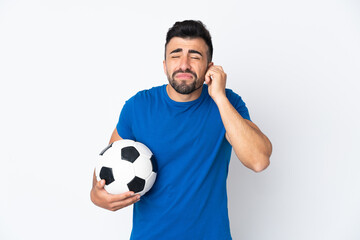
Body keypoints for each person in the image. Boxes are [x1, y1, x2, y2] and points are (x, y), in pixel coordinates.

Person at [91, 20, 272, 240]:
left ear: (209, 66)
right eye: (176, 55)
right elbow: (106, 169)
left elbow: (258, 160)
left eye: (195, 56)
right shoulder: (138, 106)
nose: (184, 64)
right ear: (165, 64)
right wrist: (97, 195)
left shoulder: (228, 103)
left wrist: (220, 97)